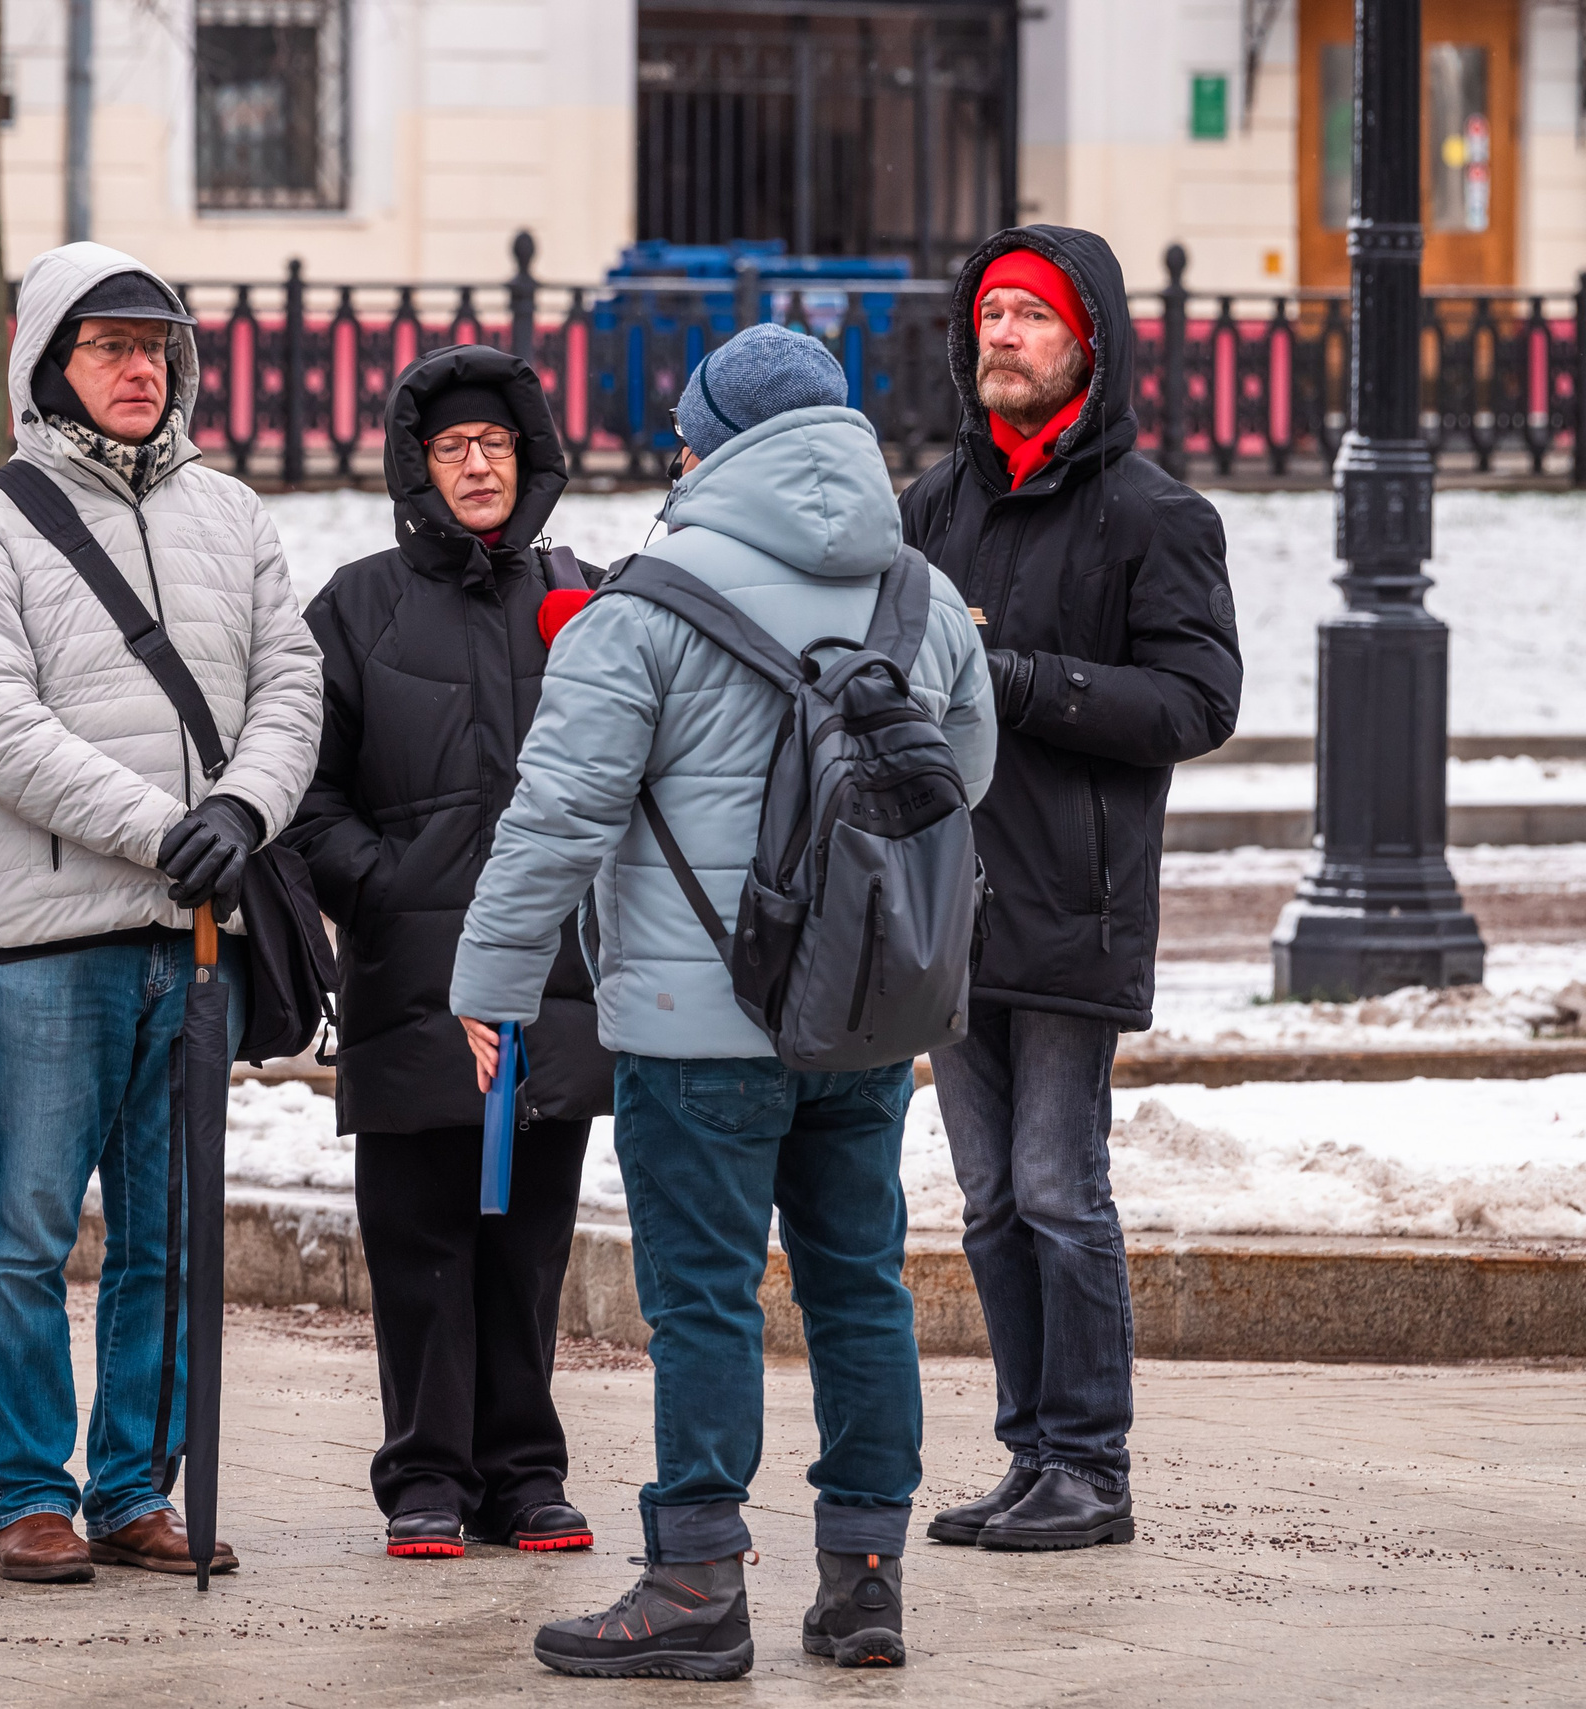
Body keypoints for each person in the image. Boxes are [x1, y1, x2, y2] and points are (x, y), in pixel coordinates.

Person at [451, 325, 996, 1678]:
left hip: (696, 1034)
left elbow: (558, 816)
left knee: (703, 1302)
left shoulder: (646, 605)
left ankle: (696, 1583)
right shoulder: (919, 595)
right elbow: (965, 773)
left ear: (708, 447)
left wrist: (491, 987)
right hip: (863, 1014)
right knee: (861, 1287)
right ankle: (865, 1581)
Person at [0, 242, 322, 1584]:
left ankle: (134, 1483)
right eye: (108, 346)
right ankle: (30, 1492)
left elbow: (290, 684)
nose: (140, 367)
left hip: (199, 934)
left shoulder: (236, 515)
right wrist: (168, 828)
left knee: (171, 1234)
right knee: (32, 1225)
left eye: (155, 344)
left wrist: (246, 809)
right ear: (48, 361)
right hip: (54, 938)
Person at [898, 228, 1240, 1552]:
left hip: (1075, 905)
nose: (1001, 336)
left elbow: (1201, 699)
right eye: (988, 314)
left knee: (1056, 1185)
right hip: (946, 910)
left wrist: (1026, 680)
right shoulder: (933, 505)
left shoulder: (1155, 515)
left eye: (1031, 317)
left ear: (1089, 341)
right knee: (986, 1203)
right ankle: (1033, 1455)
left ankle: (1092, 1464)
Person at [282, 345, 609, 1562]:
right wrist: (389, 889)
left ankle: (525, 1470)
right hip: (411, 974)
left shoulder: (583, 592)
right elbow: (304, 794)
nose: (478, 466)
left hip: (550, 973)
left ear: (530, 461)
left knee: (529, 1240)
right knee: (419, 1233)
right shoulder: (357, 605)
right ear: (414, 467)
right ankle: (425, 1472)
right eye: (451, 448)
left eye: (497, 447)